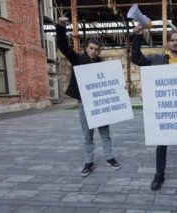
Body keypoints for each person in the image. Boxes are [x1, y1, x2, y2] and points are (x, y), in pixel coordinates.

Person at [132, 25, 177, 192]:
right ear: (167, 43)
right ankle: (159, 174)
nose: (175, 43)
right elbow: (137, 59)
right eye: (172, 40)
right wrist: (136, 37)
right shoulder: (156, 60)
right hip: (163, 113)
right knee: (161, 144)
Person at [56, 17, 121, 177]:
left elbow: (112, 83)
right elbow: (62, 46)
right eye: (92, 48)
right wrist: (61, 27)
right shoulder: (77, 59)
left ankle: (110, 158)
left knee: (105, 134)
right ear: (87, 48)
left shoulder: (103, 66)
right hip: (85, 105)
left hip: (100, 105)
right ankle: (89, 161)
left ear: (99, 51)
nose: (94, 51)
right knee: (87, 136)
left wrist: (121, 87)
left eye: (97, 50)